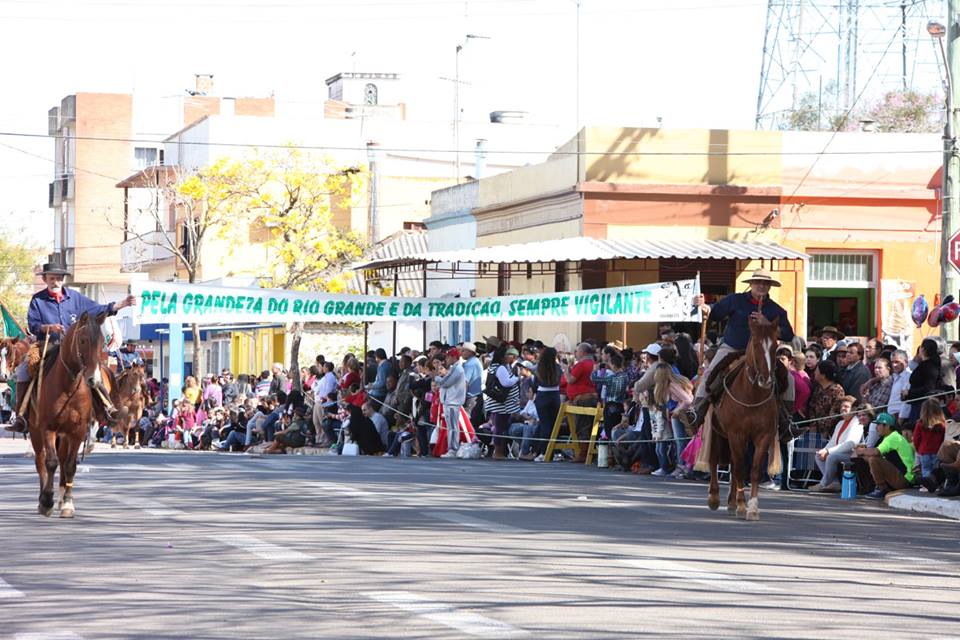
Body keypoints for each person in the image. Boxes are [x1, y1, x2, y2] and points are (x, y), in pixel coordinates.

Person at [6, 259, 136, 433]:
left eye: (59, 278)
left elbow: (99, 309)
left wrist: (122, 304)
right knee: (23, 370)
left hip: (74, 347)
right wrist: (48, 328)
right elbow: (32, 325)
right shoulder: (37, 300)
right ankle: (21, 416)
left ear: (63, 279)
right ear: (45, 279)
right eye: (52, 278)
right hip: (46, 344)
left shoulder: (75, 298)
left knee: (94, 369)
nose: (55, 282)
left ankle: (107, 407)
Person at [691, 268, 795, 428]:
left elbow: (788, 335)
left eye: (765, 283)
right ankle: (696, 411)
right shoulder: (735, 300)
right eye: (758, 282)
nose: (761, 286)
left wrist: (768, 323)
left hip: (762, 354)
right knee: (710, 372)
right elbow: (715, 312)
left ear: (769, 287)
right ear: (751, 284)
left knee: (789, 379)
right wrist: (704, 307)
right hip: (733, 348)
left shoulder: (776, 310)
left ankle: (787, 423)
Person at [853, 412, 916, 498]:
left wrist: (861, 451)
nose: (876, 427)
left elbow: (875, 452)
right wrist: (862, 453)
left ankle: (882, 488)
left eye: (879, 424)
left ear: (887, 426)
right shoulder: (887, 437)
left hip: (905, 479)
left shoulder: (893, 436)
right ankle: (875, 487)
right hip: (902, 477)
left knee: (873, 459)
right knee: (870, 458)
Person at [810, 396, 862, 492]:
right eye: (842, 406)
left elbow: (850, 444)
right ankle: (835, 483)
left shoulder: (857, 421)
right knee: (818, 456)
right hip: (839, 452)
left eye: (846, 406)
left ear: (854, 409)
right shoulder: (840, 423)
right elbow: (833, 442)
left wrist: (828, 451)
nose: (843, 408)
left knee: (831, 457)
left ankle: (823, 484)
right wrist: (824, 450)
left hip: (852, 454)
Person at [561, 342, 597, 463]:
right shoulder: (592, 364)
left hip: (583, 399)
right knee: (585, 425)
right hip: (587, 398)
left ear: (583, 352)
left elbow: (570, 380)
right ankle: (584, 452)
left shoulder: (582, 365)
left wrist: (566, 370)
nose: (575, 353)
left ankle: (583, 454)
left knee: (582, 426)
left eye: (577, 351)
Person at [484, 344, 522, 460]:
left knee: (499, 426)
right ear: (502, 356)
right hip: (502, 404)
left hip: (499, 403)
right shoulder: (500, 368)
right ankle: (498, 451)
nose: (510, 356)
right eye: (507, 354)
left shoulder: (495, 366)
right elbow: (506, 382)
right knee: (499, 427)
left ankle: (500, 451)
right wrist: (517, 378)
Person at [530, 346, 563, 461]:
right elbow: (560, 380)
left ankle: (544, 452)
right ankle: (556, 452)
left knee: (545, 424)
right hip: (555, 395)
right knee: (555, 424)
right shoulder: (558, 367)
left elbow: (535, 384)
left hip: (542, 395)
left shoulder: (539, 368)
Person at [434, 347, 466, 458]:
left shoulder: (458, 369)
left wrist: (437, 378)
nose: (446, 359)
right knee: (450, 426)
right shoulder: (454, 368)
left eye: (448, 356)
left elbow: (446, 382)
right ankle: (451, 448)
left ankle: (453, 449)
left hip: (453, 402)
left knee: (453, 426)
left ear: (453, 357)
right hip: (449, 401)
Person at [904, 339, 943, 422]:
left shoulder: (928, 366)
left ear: (923, 350)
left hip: (922, 405)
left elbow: (929, 388)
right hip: (917, 403)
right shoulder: (924, 365)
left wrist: (909, 393)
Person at [912, 398, 946, 480]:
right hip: (937, 451)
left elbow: (916, 439)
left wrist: (918, 449)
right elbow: (944, 439)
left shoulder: (920, 424)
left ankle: (927, 485)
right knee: (936, 470)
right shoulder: (942, 425)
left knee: (926, 469)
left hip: (924, 451)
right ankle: (936, 484)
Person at [887, 349, 912, 422]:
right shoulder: (895, 376)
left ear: (906, 362)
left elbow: (906, 400)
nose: (894, 365)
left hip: (899, 417)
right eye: (892, 362)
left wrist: (901, 418)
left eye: (897, 362)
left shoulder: (908, 377)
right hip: (891, 415)